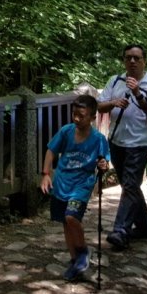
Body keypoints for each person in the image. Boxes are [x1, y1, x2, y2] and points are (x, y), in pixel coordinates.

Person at [98, 43, 147, 251]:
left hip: (140, 143)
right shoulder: (115, 81)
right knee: (131, 185)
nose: (132, 61)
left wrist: (137, 94)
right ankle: (145, 228)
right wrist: (114, 103)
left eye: (137, 58)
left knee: (129, 185)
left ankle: (120, 230)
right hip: (117, 141)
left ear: (145, 61)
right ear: (124, 60)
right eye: (128, 57)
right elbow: (99, 105)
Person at [41, 93, 110, 281]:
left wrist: (103, 165)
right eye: (74, 114)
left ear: (93, 117)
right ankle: (75, 261)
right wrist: (46, 174)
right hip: (62, 182)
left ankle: (82, 251)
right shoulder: (66, 131)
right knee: (65, 221)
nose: (77, 119)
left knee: (71, 217)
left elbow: (104, 161)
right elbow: (51, 150)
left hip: (82, 184)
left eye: (82, 115)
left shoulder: (98, 139)